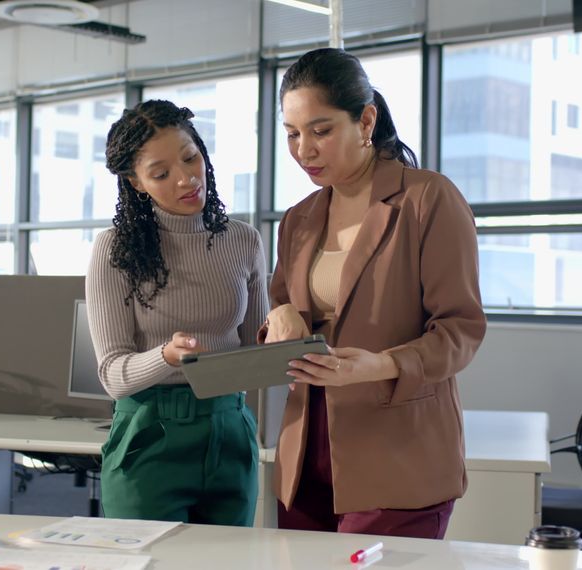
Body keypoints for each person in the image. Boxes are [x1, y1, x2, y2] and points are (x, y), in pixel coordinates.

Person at [263, 47, 486, 538]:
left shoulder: (428, 200)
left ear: (366, 121)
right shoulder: (299, 218)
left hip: (397, 454)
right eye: (292, 134)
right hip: (306, 454)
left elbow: (461, 330)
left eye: (321, 131)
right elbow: (282, 303)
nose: (305, 150)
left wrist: (382, 365)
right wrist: (278, 315)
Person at [86, 99, 268, 525]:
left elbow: (255, 355)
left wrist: (285, 326)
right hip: (150, 436)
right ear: (135, 182)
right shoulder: (114, 250)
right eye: (161, 173)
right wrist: (166, 355)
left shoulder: (244, 241)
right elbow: (112, 375)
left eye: (191, 158)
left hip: (229, 431)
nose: (187, 179)